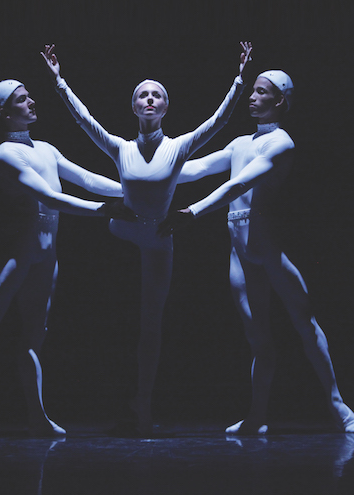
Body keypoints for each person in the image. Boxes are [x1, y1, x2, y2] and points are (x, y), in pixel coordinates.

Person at [41, 42, 252, 435]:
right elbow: (85, 122)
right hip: (121, 237)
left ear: (165, 107)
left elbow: (218, 122)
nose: (150, 99)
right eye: (143, 95)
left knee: (151, 325)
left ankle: (144, 403)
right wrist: (59, 82)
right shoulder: (120, 147)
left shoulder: (179, 146)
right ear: (135, 107)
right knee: (119, 320)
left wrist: (239, 81)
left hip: (158, 240)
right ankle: (108, 400)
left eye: (157, 95)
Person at [159, 70, 354, 434]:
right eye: (252, 91)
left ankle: (336, 402)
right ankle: (257, 415)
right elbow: (198, 168)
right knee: (258, 340)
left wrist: (194, 211)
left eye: (260, 92)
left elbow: (240, 181)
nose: (252, 97)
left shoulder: (281, 143)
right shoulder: (240, 143)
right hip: (239, 252)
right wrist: (148, 172)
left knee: (304, 323)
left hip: (268, 249)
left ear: (279, 100)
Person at [0, 79, 134, 437]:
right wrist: (107, 211)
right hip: (18, 249)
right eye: (22, 100)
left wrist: (138, 189)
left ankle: (36, 415)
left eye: (29, 97)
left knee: (34, 335)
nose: (31, 103)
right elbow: (52, 198)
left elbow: (86, 179)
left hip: (47, 252)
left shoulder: (45, 148)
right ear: (5, 112)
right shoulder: (6, 154)